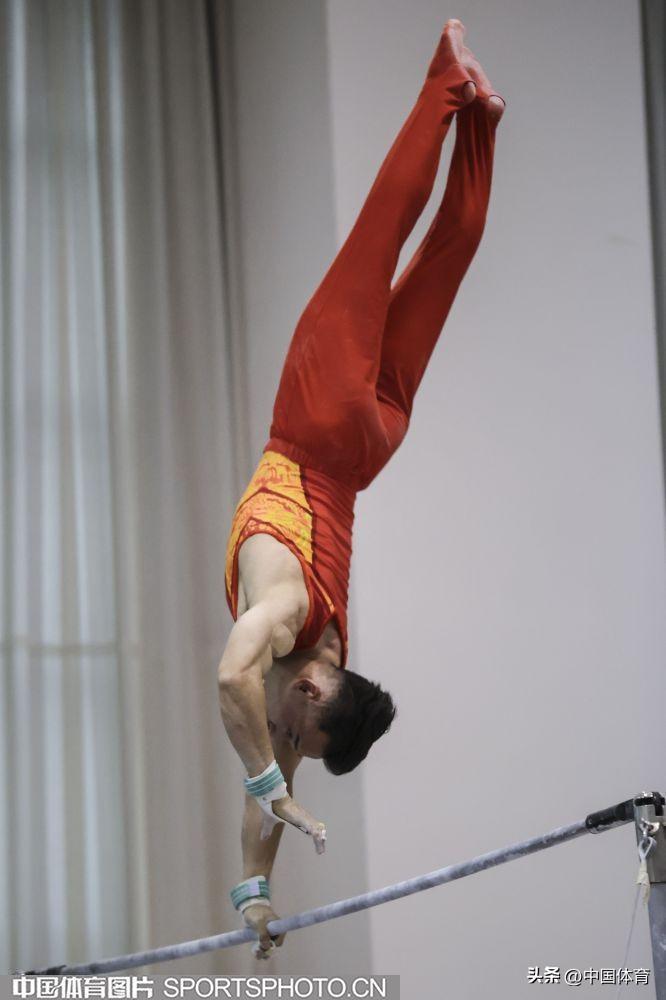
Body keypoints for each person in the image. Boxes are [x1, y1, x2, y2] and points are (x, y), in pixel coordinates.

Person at [218, 18, 504, 958]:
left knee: (439, 263)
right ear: (314, 687)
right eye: (298, 728)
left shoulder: (320, 666)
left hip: (373, 445)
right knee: (383, 235)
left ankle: (482, 122)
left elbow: (267, 778)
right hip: (322, 420)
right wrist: (271, 785)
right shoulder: (284, 618)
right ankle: (446, 84)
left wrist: (255, 895)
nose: (285, 733)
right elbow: (229, 679)